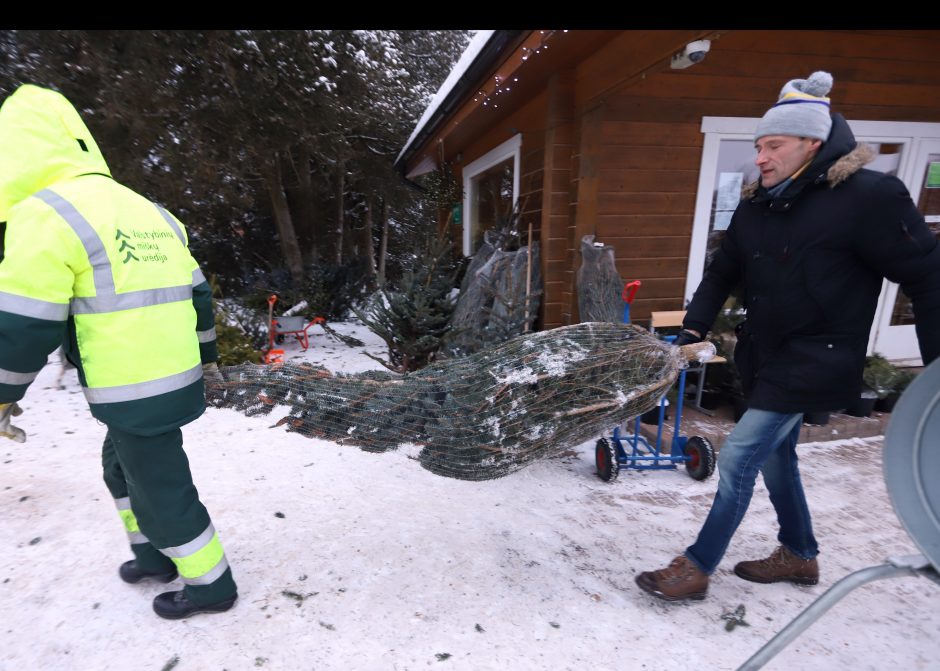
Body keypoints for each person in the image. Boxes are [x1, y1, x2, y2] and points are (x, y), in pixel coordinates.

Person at [635, 71, 940, 602]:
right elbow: (722, 270)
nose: (760, 157)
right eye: (758, 146)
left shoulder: (869, 196)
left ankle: (698, 565)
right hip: (764, 355)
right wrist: (693, 326)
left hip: (818, 356)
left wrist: (935, 376)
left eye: (773, 145)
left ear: (813, 144)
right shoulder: (759, 204)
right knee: (778, 458)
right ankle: (799, 554)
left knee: (737, 458)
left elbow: (927, 275)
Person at [0, 84, 237, 619]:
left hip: (135, 390)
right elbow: (198, 294)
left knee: (160, 489)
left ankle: (211, 586)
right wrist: (208, 359)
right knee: (119, 468)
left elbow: (20, 326)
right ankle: (151, 553)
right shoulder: (149, 210)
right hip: (162, 380)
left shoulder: (44, 216)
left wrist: (2, 395)